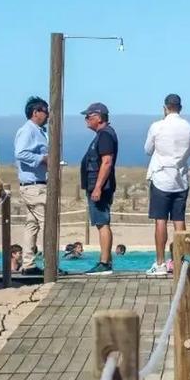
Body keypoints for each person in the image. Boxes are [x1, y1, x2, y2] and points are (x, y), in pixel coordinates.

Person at [144, 94, 190, 277]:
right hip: (180, 179)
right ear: (180, 108)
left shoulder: (158, 126)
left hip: (161, 177)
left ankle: (160, 263)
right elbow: (189, 151)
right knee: (179, 220)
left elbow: (148, 149)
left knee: (160, 220)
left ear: (165, 107)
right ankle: (181, 261)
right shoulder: (188, 127)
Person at [80, 102, 118, 275]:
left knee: (102, 223)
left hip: (100, 187)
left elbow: (107, 162)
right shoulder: (102, 135)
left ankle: (104, 262)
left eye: (89, 116)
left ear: (99, 117)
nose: (86, 120)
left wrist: (97, 187)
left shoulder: (105, 136)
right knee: (101, 223)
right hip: (98, 186)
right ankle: (105, 260)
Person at [13, 96, 49, 274]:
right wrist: (42, 159)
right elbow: (21, 153)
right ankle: (49, 262)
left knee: (32, 224)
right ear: (36, 112)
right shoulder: (28, 131)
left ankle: (28, 263)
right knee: (47, 222)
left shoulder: (41, 132)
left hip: (37, 182)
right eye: (45, 110)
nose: (48, 114)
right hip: (33, 185)